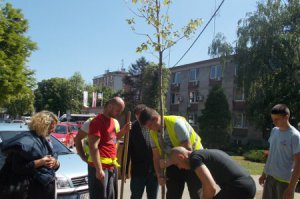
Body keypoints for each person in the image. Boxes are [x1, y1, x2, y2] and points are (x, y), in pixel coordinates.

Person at [139, 107, 203, 199]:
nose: (150, 129)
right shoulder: (152, 133)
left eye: (150, 126)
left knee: (196, 194)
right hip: (174, 163)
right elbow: (156, 157)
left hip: (193, 160)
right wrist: (159, 176)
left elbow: (187, 150)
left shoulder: (176, 124)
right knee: (172, 195)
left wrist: (168, 162)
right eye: (147, 127)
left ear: (156, 118)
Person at [0, 111, 60, 199]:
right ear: (43, 125)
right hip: (26, 191)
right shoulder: (25, 142)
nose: (53, 130)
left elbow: (53, 160)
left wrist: (56, 163)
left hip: (42, 190)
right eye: (51, 127)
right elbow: (17, 168)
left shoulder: (44, 140)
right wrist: (40, 162)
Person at [170, 147, 256, 199]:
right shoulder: (204, 154)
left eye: (177, 164)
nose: (180, 168)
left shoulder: (194, 159)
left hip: (238, 187)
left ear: (181, 157)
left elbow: (211, 188)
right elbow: (206, 185)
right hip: (249, 185)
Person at [88, 96, 131, 199]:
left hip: (111, 166)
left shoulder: (112, 121)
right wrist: (98, 169)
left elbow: (112, 139)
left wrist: (123, 131)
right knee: (100, 196)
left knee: (110, 196)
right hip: (100, 167)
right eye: (118, 110)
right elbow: (93, 146)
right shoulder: (97, 122)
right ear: (110, 107)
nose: (119, 113)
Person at [259, 104, 300, 199]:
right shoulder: (274, 131)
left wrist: (291, 188)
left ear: (286, 117)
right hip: (270, 178)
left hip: (284, 182)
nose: (274, 122)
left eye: (277, 119)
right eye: (273, 119)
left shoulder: (295, 136)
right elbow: (272, 153)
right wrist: (264, 173)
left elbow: (298, 164)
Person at [127, 104, 158, 199]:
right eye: (139, 117)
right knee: (136, 196)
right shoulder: (131, 128)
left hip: (154, 171)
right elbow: (128, 150)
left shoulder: (156, 127)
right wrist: (124, 170)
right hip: (138, 172)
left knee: (152, 197)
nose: (142, 120)